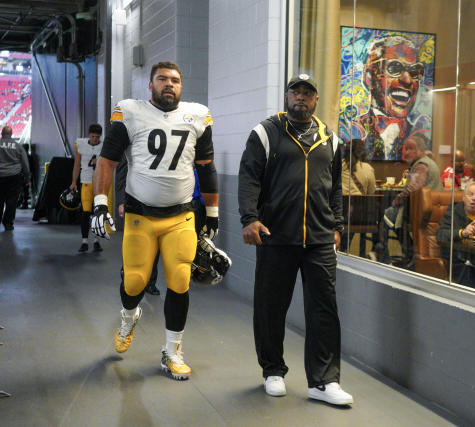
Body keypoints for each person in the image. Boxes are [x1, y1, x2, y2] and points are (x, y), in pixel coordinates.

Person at [90, 61, 219, 381]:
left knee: (179, 281)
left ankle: (172, 352)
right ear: (149, 85)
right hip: (140, 214)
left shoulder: (197, 115)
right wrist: (100, 204)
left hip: (180, 216)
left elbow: (206, 166)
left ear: (181, 86)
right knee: (134, 282)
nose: (169, 85)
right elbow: (107, 162)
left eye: (175, 80)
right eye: (162, 79)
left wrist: (213, 213)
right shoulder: (130, 111)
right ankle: (129, 315)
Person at [238, 73, 353, 405]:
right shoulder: (265, 133)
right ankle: (273, 370)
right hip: (276, 236)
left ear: (316, 100)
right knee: (271, 308)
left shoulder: (330, 139)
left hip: (319, 239)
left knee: (324, 310)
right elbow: (249, 179)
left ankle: (324, 381)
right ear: (286, 97)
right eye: (295, 92)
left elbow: (334, 188)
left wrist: (337, 225)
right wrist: (250, 218)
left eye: (307, 93)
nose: (301, 97)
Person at [351, 35, 428, 161]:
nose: (407, 80)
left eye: (415, 71)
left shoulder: (420, 136)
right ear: (369, 77)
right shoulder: (352, 130)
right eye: (395, 68)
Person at [374, 132, 442, 265]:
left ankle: (384, 256)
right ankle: (406, 255)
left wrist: (397, 199)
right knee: (394, 217)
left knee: (387, 216)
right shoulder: (427, 163)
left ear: (421, 150)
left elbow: (413, 188)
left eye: (411, 149)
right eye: (406, 149)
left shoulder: (421, 165)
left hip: (421, 211)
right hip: (430, 209)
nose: (406, 152)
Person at [115, 157, 161, 295]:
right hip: (134, 202)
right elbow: (121, 175)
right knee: (132, 243)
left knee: (154, 244)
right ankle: (127, 276)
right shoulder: (130, 147)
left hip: (155, 203)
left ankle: (151, 282)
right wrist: (121, 202)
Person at [69, 123, 104, 252]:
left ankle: (96, 240)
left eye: (97, 137)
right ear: (89, 134)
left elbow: (109, 164)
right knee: (85, 212)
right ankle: (84, 241)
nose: (95, 139)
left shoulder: (104, 146)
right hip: (86, 182)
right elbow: (76, 165)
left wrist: (100, 162)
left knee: (98, 212)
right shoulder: (81, 144)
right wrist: (73, 181)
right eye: (93, 136)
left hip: (100, 183)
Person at [0, 125, 30, 231]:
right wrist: (27, 177)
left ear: (2, 134)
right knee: (11, 201)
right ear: (11, 134)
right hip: (14, 177)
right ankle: (8, 223)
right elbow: (25, 163)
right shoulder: (18, 146)